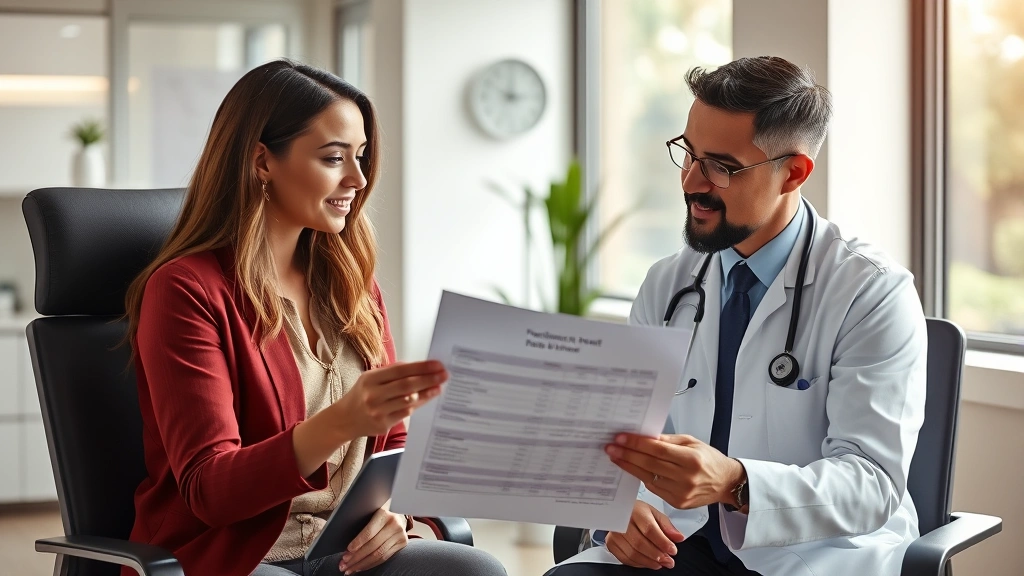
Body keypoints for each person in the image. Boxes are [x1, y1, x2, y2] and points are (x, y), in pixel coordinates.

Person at [123, 59, 507, 576]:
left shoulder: (349, 284)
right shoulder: (186, 290)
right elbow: (209, 491)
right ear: (262, 162)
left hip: (342, 555)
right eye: (333, 158)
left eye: (362, 156)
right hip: (236, 557)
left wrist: (398, 513)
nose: (358, 178)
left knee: (473, 569)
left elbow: (393, 442)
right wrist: (341, 422)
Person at [547, 56, 926, 576]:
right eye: (688, 152)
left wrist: (736, 483)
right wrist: (616, 512)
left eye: (721, 166)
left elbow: (872, 484)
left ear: (793, 172)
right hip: (681, 542)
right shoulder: (668, 284)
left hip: (814, 553)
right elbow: (622, 442)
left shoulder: (871, 292)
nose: (690, 182)